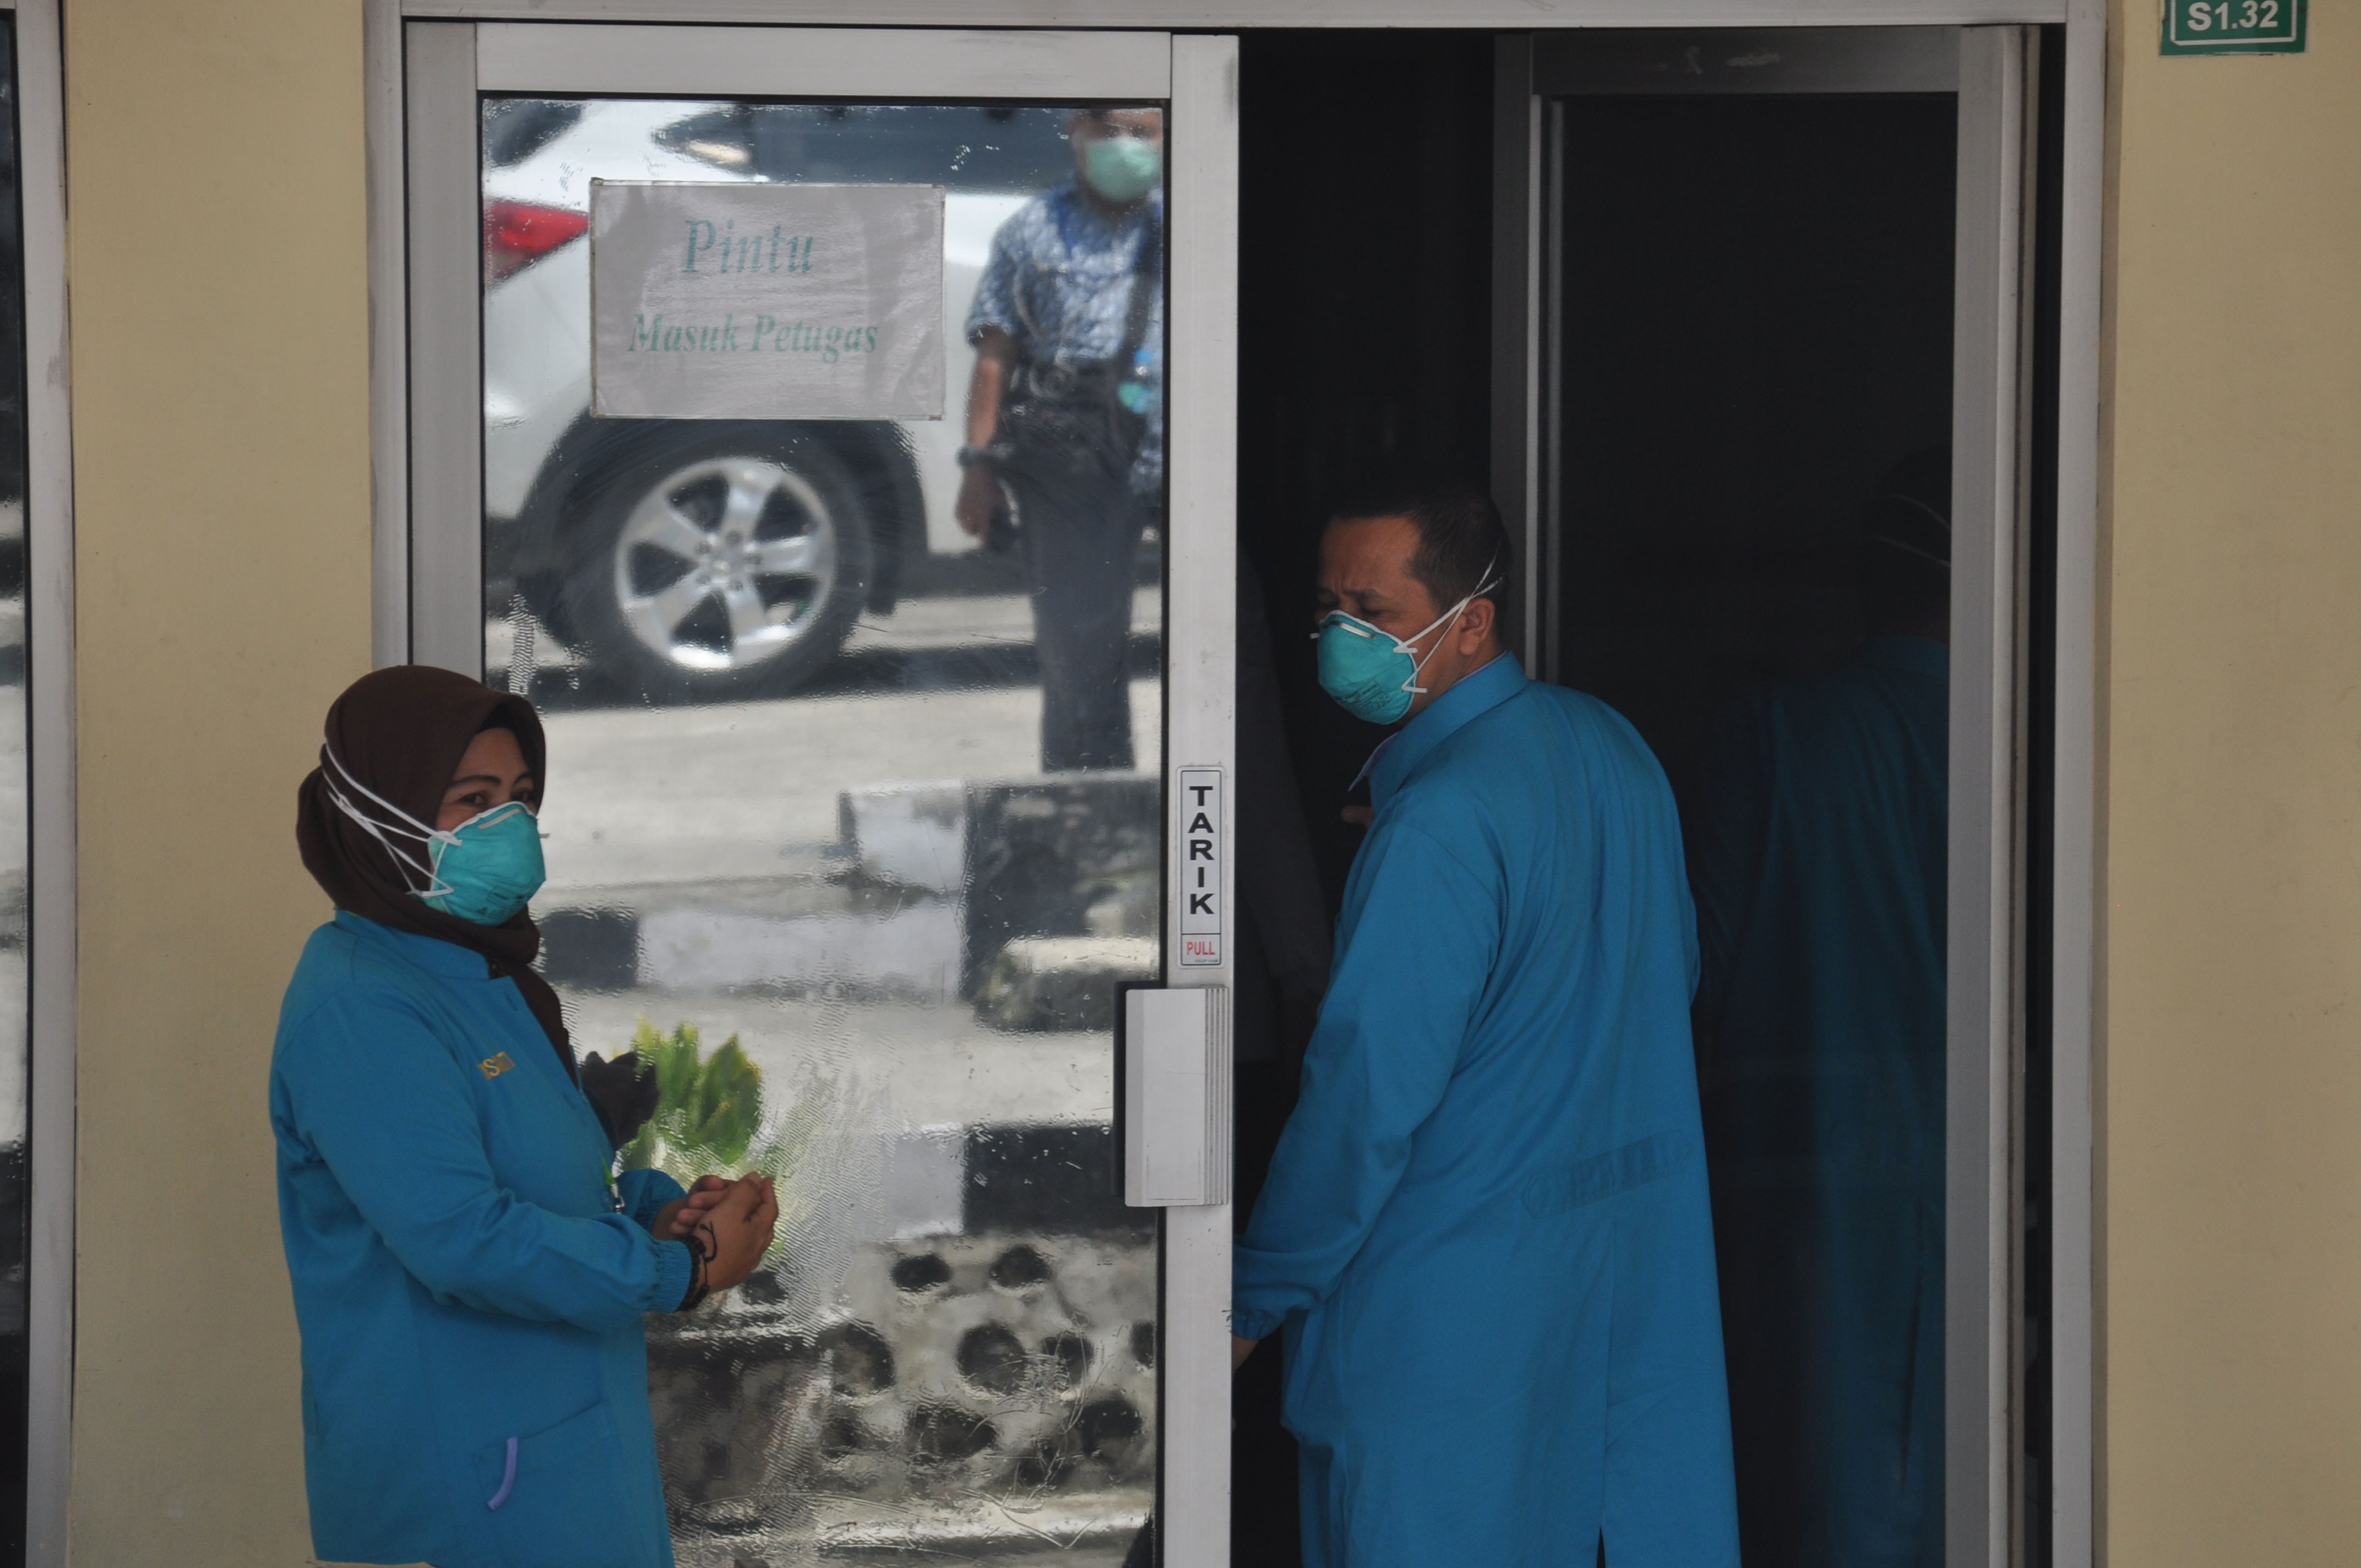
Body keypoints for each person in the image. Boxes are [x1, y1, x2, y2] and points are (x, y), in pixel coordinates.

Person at [1231, 484, 1741, 1568]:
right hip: (1613, 1298)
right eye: (1326, 607)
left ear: (1471, 620)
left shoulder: (1439, 820)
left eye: (1373, 610)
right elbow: (1672, 973)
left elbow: (1363, 1098)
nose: (1341, 638)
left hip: (1447, 1327)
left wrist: (1249, 1296)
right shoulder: (1612, 746)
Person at [271, 666, 779, 1568]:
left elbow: (550, 1184)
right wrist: (680, 1269)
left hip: (557, 1450)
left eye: (521, 797)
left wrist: (657, 1214)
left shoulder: (474, 972)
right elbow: (461, 1239)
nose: (508, 826)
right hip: (471, 1475)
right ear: (379, 814)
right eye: (473, 800)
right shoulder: (363, 1006)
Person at [1686, 450, 1952, 1568]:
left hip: (1811, 1197)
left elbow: (1680, 972)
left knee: (1820, 1504)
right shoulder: (2041, 751)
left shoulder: (1775, 738)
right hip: (1991, 1199)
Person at [955, 106, 1163, 772]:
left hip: (1185, 451)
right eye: (1109, 130)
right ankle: (1088, 804)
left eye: (1142, 132)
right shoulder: (1032, 231)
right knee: (1081, 650)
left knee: (1227, 630)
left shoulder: (1191, 220)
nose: (1125, 146)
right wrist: (978, 469)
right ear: (1075, 131)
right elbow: (995, 358)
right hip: (1076, 459)